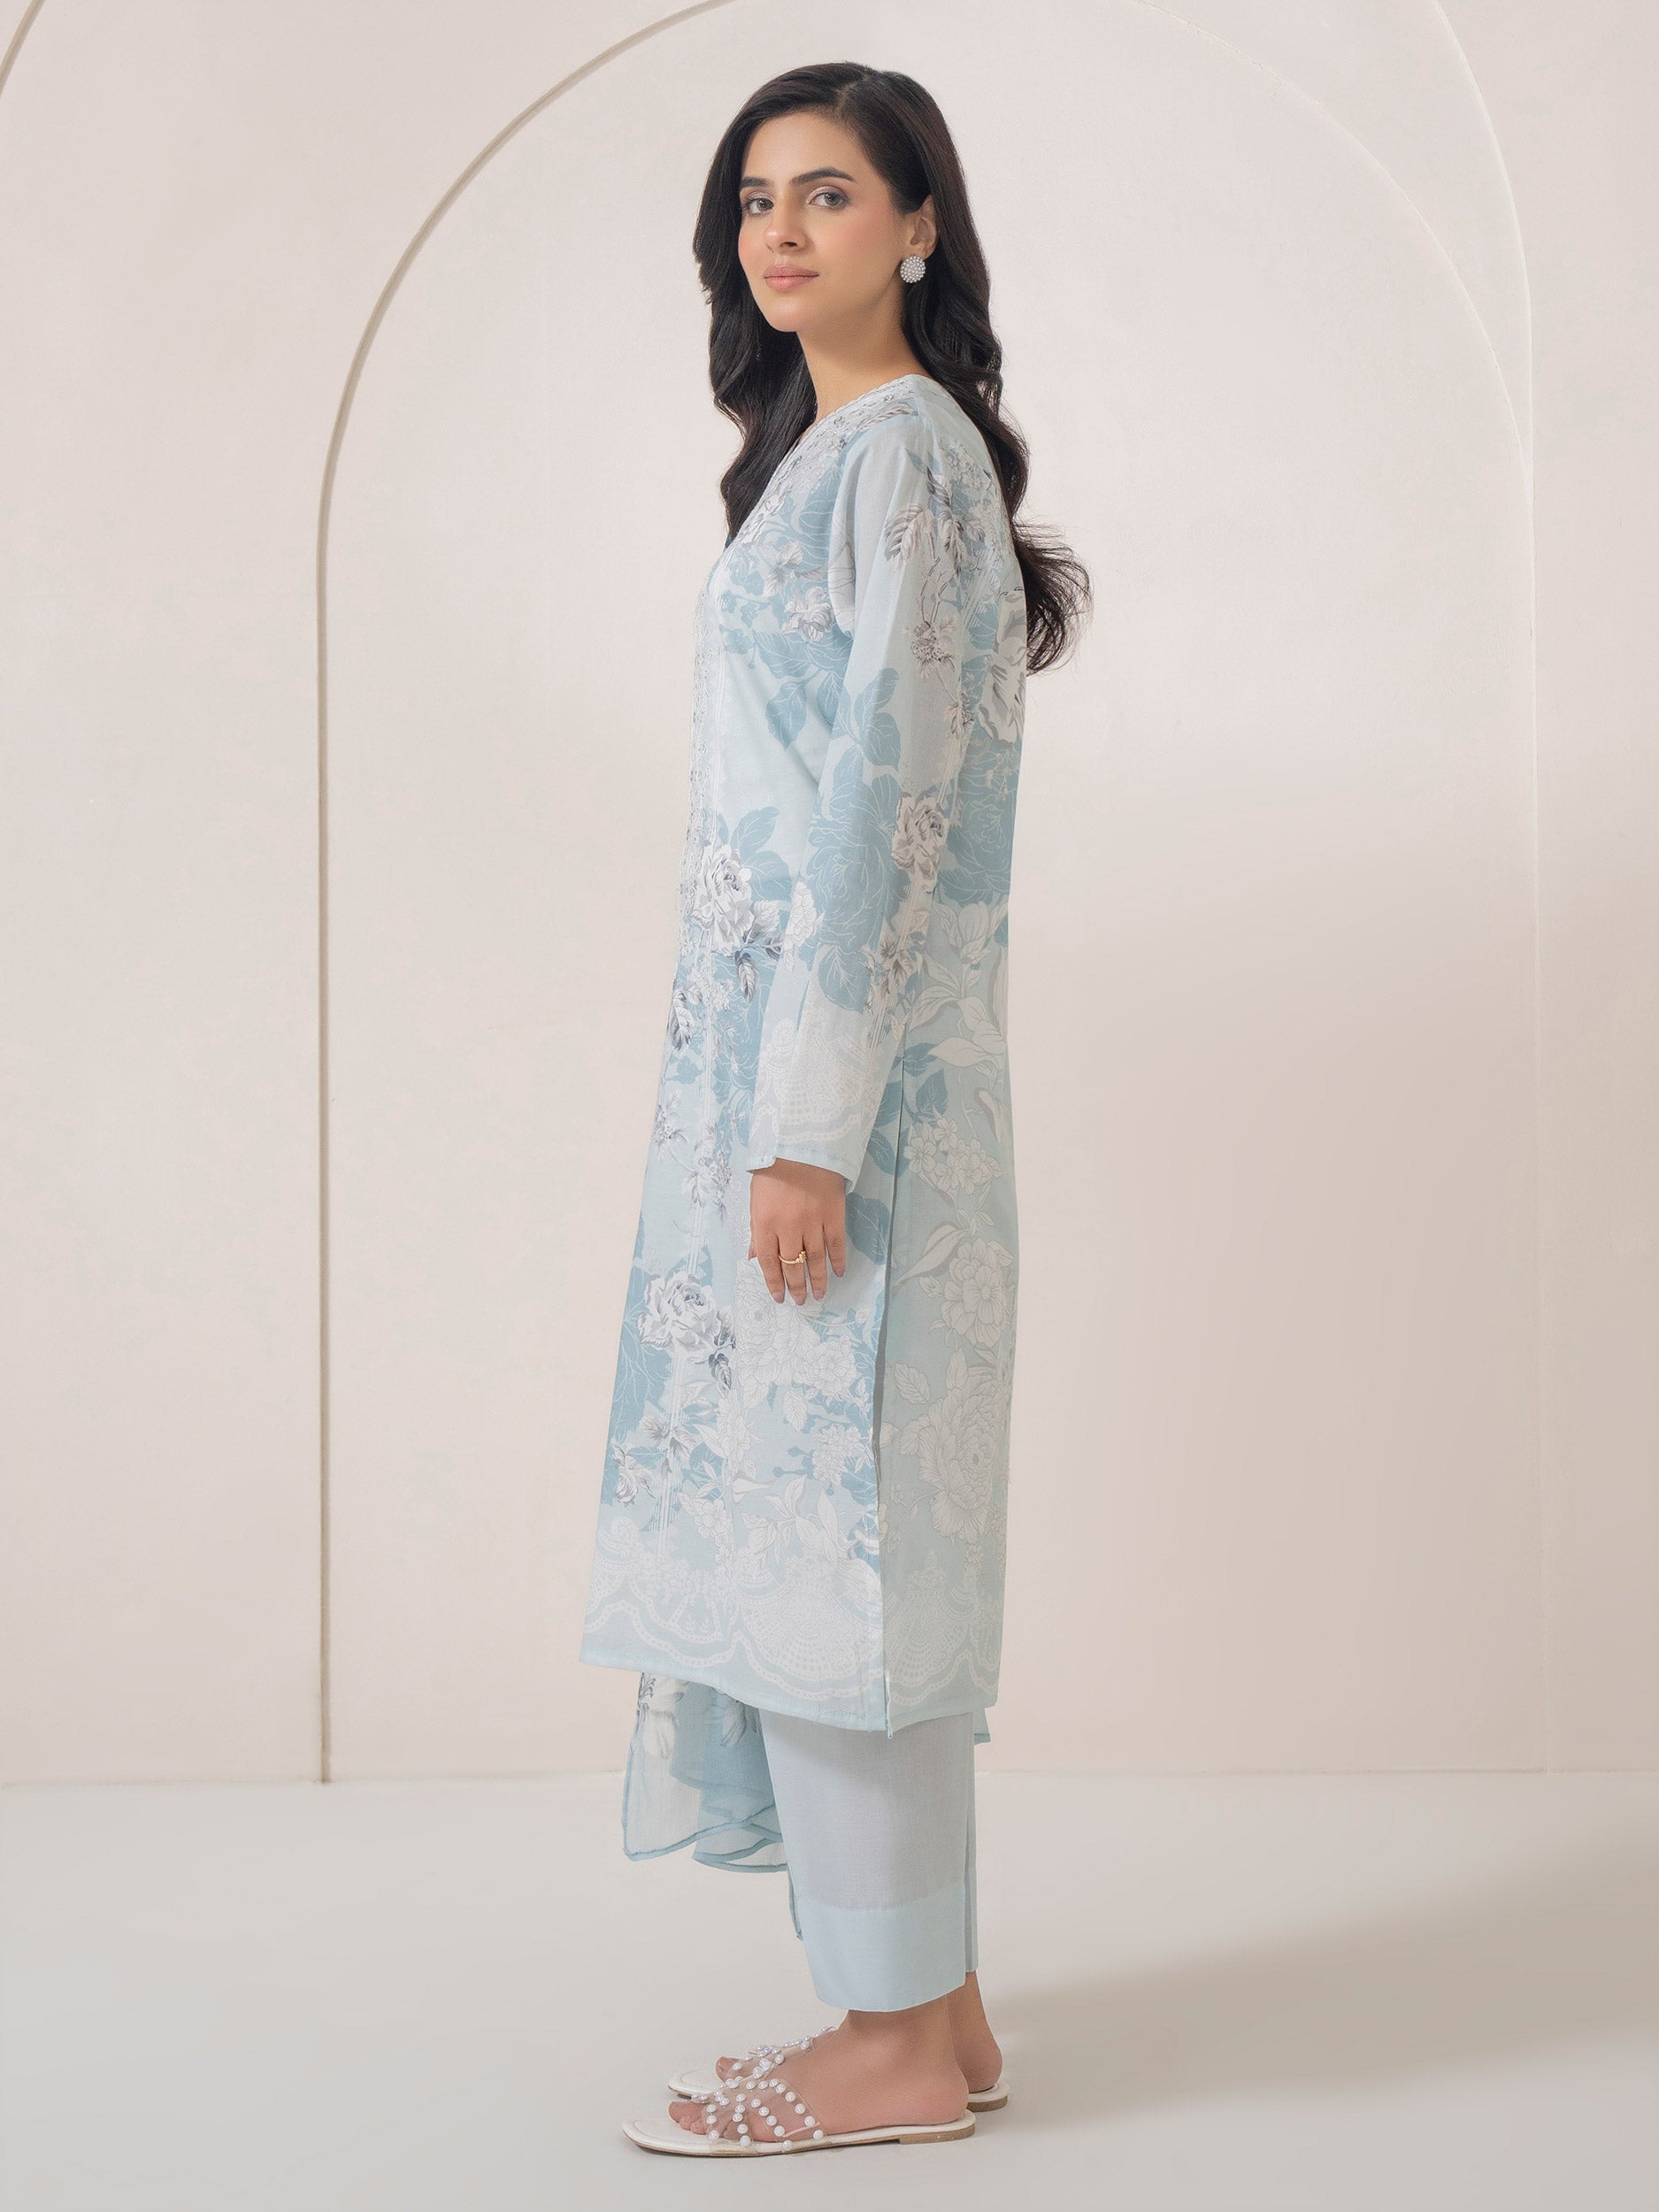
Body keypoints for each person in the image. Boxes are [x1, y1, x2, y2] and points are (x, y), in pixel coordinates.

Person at [578, 59, 1090, 2159]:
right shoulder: (846, 457)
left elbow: (885, 811)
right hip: (818, 1087)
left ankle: (878, 2038)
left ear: (918, 225)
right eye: (752, 201)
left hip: (841, 1110)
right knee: (847, 1532)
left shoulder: (897, 459)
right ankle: (935, 2006)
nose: (778, 232)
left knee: (839, 1543)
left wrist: (802, 1127)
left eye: (827, 194)